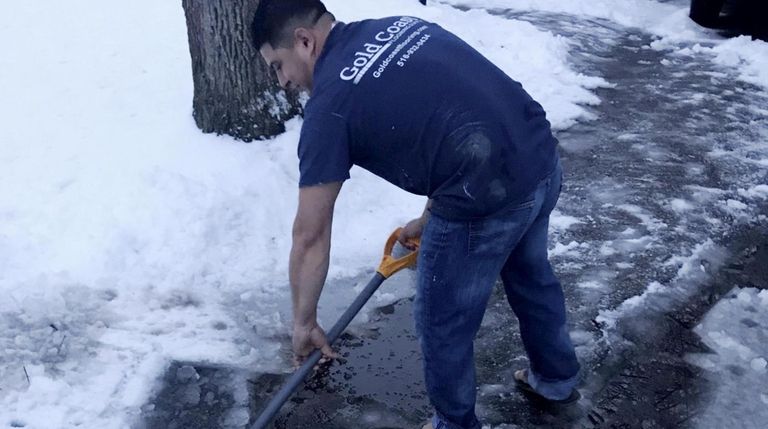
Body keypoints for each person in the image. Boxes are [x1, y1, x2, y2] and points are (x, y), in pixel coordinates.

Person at [250, 1, 581, 428]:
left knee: (441, 322)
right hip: (539, 159)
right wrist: (429, 216)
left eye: (278, 66)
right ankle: (555, 379)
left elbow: (309, 235)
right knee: (531, 275)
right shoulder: (399, 26)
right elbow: (454, 113)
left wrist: (304, 322)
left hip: (483, 201)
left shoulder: (330, 106)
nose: (283, 82)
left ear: (304, 41)